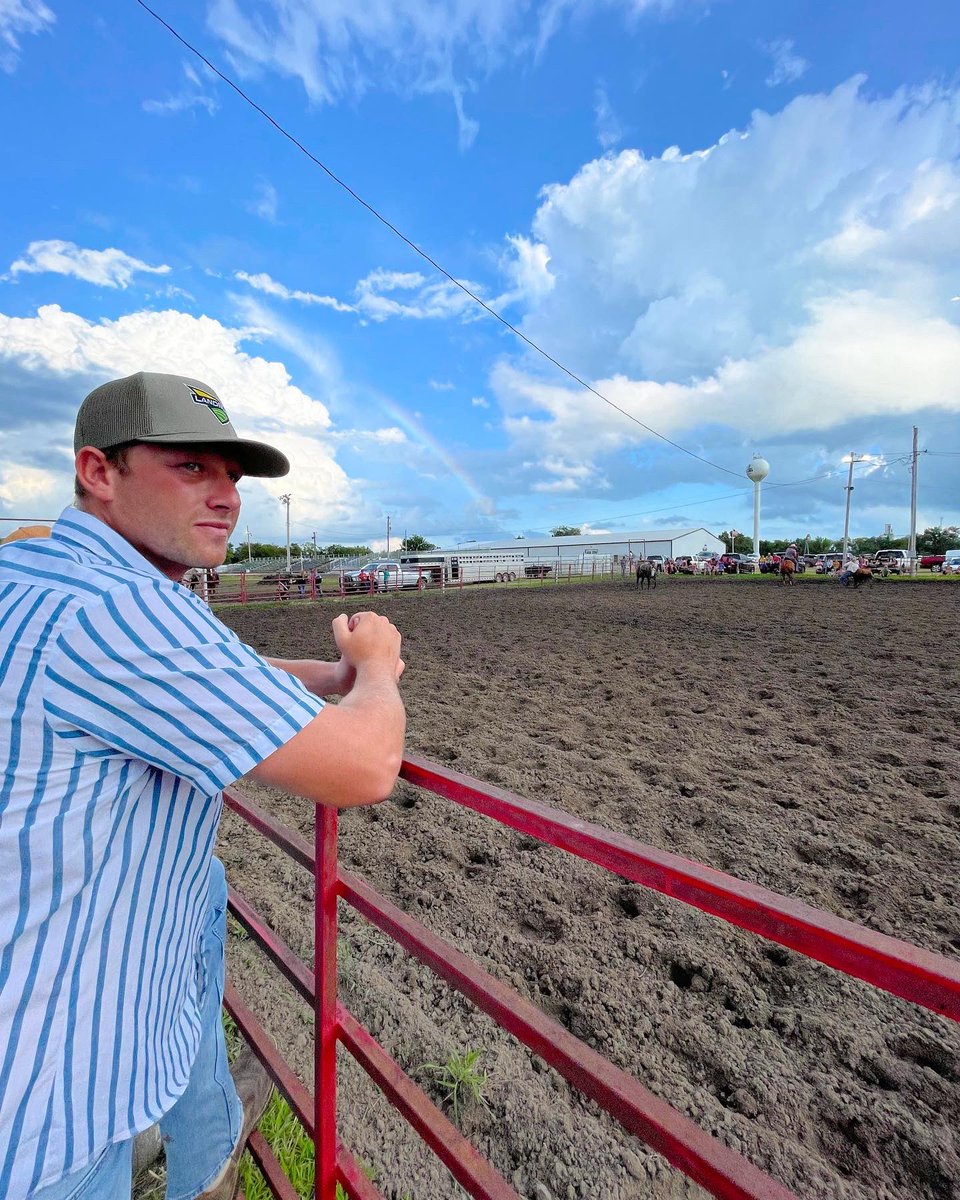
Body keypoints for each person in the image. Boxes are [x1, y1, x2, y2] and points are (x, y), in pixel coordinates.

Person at [0, 371, 406, 1200]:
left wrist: (322, 676)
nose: (225, 496)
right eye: (191, 467)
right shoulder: (125, 611)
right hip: (47, 1098)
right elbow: (363, 767)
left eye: (233, 477)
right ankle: (204, 1155)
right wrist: (376, 670)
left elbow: (208, 669)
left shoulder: (40, 578)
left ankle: (205, 1138)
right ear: (98, 471)